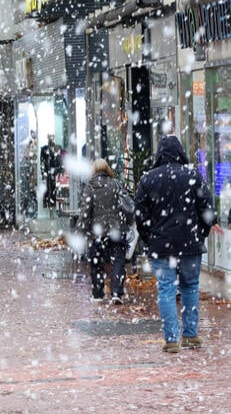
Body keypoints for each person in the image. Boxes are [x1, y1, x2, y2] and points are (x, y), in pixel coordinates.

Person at [134, 136, 216, 353]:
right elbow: (207, 209)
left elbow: (140, 215)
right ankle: (190, 335)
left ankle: (171, 339)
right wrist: (201, 233)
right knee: (190, 286)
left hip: (161, 246)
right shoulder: (192, 176)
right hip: (190, 244)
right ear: (180, 152)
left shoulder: (148, 179)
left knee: (166, 290)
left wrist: (149, 238)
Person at [76, 159, 133, 303]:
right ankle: (116, 292)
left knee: (96, 262)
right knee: (118, 261)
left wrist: (80, 232)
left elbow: (85, 212)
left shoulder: (90, 187)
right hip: (116, 230)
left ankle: (98, 293)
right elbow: (127, 205)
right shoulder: (116, 183)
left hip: (98, 232)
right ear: (107, 169)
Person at [40, 134, 62, 211]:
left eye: (53, 136)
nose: (51, 138)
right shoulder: (44, 148)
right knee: (48, 190)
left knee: (55, 190)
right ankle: (49, 205)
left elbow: (59, 161)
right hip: (48, 172)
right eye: (50, 136)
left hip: (55, 173)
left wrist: (59, 171)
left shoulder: (57, 147)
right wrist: (43, 173)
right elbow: (42, 162)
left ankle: (54, 206)